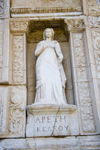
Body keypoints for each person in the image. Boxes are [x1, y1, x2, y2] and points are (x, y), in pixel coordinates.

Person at [34, 28, 67, 104]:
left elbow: (59, 54)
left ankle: (57, 98)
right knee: (43, 80)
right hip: (43, 63)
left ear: (52, 34)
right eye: (47, 32)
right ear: (44, 34)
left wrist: (60, 59)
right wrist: (43, 47)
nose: (48, 33)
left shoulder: (55, 43)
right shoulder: (41, 43)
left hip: (53, 62)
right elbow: (36, 53)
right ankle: (44, 98)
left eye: (50, 32)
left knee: (55, 78)